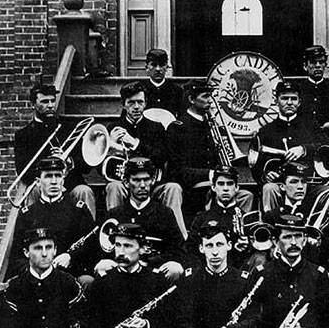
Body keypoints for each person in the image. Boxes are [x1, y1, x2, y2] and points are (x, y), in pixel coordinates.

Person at [104, 82, 188, 237]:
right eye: (131, 103)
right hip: (125, 185)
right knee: (113, 187)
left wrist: (134, 143)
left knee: (173, 188)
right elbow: (103, 168)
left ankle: (179, 238)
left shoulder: (156, 127)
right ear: (123, 104)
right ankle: (112, 235)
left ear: (146, 104)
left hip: (152, 184)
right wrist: (111, 148)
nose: (136, 107)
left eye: (140, 102)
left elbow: (162, 157)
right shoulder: (113, 128)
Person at [167, 79, 254, 214]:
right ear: (191, 99)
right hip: (192, 188)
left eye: (211, 96)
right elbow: (178, 170)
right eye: (205, 96)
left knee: (245, 196)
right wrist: (211, 174)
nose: (210, 101)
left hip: (214, 186)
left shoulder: (210, 124)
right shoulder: (178, 128)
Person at [93, 157, 186, 282]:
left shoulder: (164, 213)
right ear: (126, 183)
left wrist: (152, 261)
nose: (142, 185)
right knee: (102, 266)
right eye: (136, 180)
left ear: (153, 180)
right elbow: (103, 250)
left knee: (175, 269)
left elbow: (178, 249)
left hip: (153, 269)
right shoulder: (115, 214)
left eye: (146, 179)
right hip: (123, 269)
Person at [253, 80, 329, 213]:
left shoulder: (311, 126)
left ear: (299, 102)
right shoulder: (266, 130)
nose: (289, 103)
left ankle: (323, 230)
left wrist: (304, 149)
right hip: (281, 185)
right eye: (284, 98)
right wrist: (266, 175)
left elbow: (327, 145)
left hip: (308, 185)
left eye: (293, 99)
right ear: (276, 101)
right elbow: (256, 165)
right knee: (269, 188)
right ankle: (271, 228)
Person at [14, 83, 96, 218]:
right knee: (31, 191)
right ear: (33, 104)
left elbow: (86, 167)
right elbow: (23, 171)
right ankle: (32, 236)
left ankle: (89, 235)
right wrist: (49, 163)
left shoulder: (69, 129)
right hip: (43, 187)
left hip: (70, 186)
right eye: (45, 102)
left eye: (53, 100)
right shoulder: (24, 135)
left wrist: (69, 161)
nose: (51, 105)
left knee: (84, 191)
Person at [9, 157, 94, 281]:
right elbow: (17, 256)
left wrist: (71, 257)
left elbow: (91, 248)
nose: (54, 181)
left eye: (58, 176)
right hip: (38, 278)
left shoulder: (78, 210)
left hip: (70, 276)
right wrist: (35, 269)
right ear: (38, 182)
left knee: (87, 281)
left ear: (63, 181)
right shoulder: (27, 214)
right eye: (48, 176)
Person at [185, 165, 252, 268]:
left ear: (237, 187)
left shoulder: (246, 219)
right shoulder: (202, 218)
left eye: (230, 184)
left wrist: (248, 246)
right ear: (213, 187)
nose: (225, 188)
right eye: (221, 184)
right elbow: (190, 249)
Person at [296, 45, 329, 132]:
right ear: (305, 66)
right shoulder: (299, 91)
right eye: (313, 62)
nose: (318, 66)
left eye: (321, 62)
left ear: (325, 65)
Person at [141, 48, 184, 117]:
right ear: (147, 67)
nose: (158, 69)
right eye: (154, 65)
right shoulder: (140, 89)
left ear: (167, 67)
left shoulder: (176, 90)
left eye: (161, 65)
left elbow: (182, 116)